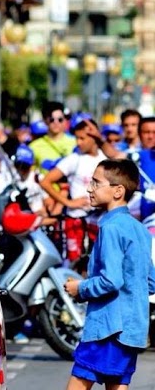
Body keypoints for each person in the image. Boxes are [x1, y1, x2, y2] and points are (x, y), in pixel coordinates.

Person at [64, 158, 155, 390]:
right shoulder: (139, 229)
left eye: (96, 183)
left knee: (79, 380)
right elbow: (151, 282)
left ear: (118, 191)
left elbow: (111, 280)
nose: (89, 188)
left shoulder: (111, 227)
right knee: (117, 383)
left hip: (108, 327)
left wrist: (80, 288)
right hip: (132, 327)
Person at [40, 119, 106, 264]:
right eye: (76, 138)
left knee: (97, 262)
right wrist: (68, 202)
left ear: (94, 136)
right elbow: (45, 182)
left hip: (99, 219)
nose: (78, 142)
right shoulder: (74, 159)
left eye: (82, 138)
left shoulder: (105, 159)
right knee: (73, 262)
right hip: (75, 220)